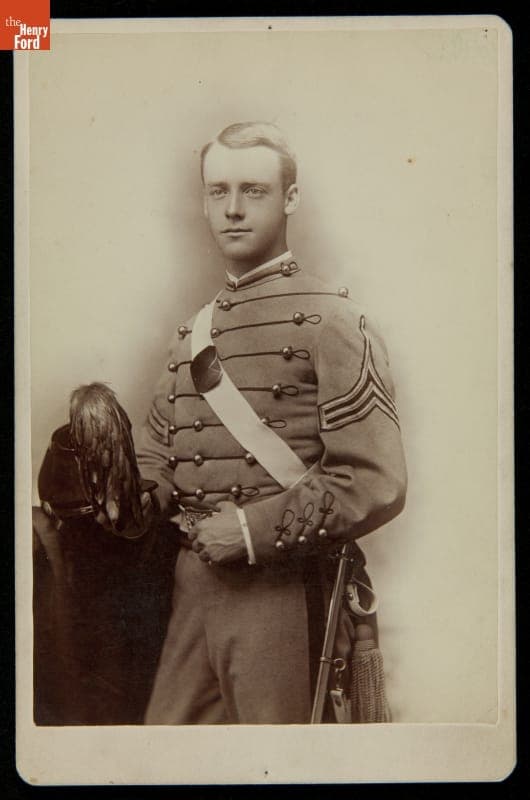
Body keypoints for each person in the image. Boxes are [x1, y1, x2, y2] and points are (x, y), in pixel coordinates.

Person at [137, 121, 407, 724]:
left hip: (282, 591)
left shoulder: (333, 320)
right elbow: (158, 454)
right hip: (191, 590)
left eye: (253, 191)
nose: (232, 210)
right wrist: (127, 493)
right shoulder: (195, 330)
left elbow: (372, 479)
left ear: (290, 199)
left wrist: (251, 530)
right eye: (217, 192)